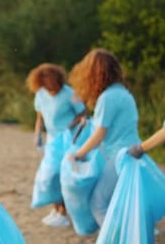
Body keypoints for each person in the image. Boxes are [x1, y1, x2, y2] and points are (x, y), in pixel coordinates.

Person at [67, 48, 140, 227]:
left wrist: (78, 154)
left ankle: (115, 238)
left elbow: (100, 134)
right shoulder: (123, 92)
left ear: (93, 74)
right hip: (132, 153)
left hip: (119, 156)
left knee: (98, 204)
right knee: (120, 203)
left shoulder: (107, 97)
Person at [26, 63, 86, 227]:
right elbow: (40, 117)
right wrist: (37, 133)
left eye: (51, 78)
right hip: (51, 140)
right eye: (44, 80)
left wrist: (70, 127)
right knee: (50, 175)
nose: (49, 83)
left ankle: (63, 213)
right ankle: (56, 209)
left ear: (58, 77)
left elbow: (82, 114)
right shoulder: (40, 94)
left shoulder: (70, 94)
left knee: (64, 175)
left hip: (69, 140)